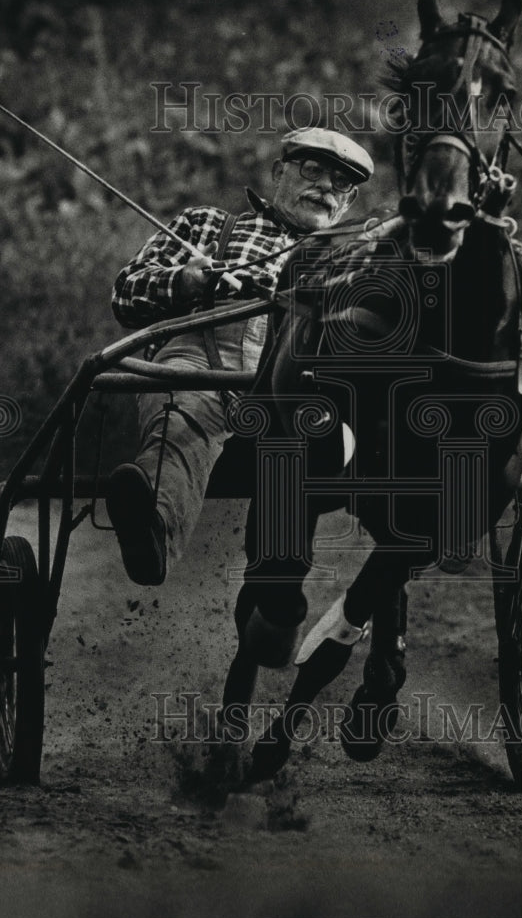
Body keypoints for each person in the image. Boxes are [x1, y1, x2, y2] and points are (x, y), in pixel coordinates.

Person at [108, 128, 374, 585]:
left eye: (341, 183)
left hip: (298, 371)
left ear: (347, 204)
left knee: (343, 417)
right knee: (179, 411)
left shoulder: (356, 257)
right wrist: (185, 280)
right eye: (313, 170)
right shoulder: (206, 225)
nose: (326, 187)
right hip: (200, 360)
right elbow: (125, 296)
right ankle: (153, 530)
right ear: (278, 173)